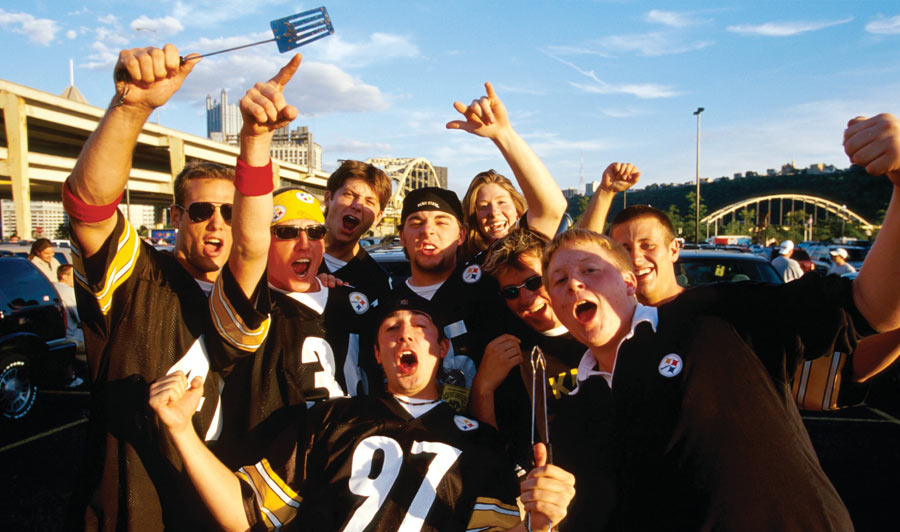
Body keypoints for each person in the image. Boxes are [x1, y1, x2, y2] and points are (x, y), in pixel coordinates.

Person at [541, 111, 900, 531]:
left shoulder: (714, 315)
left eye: (589, 271)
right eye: (559, 281)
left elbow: (869, 307)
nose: (575, 286)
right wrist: (550, 515)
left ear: (628, 283)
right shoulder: (574, 406)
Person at [149, 296, 576, 532]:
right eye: (391, 328)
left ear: (442, 348)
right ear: (377, 353)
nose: (405, 333)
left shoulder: (481, 440)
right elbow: (245, 514)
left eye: (420, 327)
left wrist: (540, 526)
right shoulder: (330, 419)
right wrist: (181, 430)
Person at [63, 44, 235, 531]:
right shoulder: (140, 277)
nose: (218, 222)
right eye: (202, 210)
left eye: (231, 211)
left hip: (224, 505)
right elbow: (89, 207)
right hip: (136, 511)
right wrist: (132, 108)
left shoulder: (256, 300)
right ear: (177, 217)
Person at [393, 186, 505, 412]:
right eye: (416, 222)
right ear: (402, 237)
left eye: (442, 222)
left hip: (486, 435)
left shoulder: (491, 288)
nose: (428, 231)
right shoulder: (389, 305)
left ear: (461, 234)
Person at [448, 83, 567, 261]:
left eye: (502, 202)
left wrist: (503, 134)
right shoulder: (462, 261)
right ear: (473, 217)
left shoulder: (532, 246)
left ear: (518, 209)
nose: (494, 212)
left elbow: (553, 208)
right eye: (483, 207)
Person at [318, 160, 394, 297]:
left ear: (378, 217)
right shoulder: (291, 254)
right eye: (349, 195)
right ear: (328, 198)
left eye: (369, 202)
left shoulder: (377, 281)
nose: (358, 206)